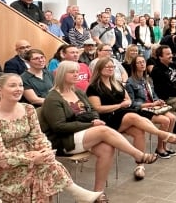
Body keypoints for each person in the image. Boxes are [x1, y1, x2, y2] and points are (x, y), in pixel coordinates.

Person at [39, 61, 159, 200]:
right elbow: (59, 127)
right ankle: (138, 155)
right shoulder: (53, 98)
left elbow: (94, 111)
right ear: (61, 75)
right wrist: (90, 124)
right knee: (103, 130)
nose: (76, 74)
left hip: (83, 133)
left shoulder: (77, 91)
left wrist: (93, 120)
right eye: (72, 72)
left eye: (77, 71)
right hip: (64, 140)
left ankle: (98, 192)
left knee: (107, 148)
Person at [0, 74, 101, 203]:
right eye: (12, 85)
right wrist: (31, 158)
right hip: (0, 167)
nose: (18, 89)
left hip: (32, 155)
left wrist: (45, 150)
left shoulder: (28, 109)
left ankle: (77, 192)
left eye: (20, 85)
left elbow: (38, 135)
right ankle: (76, 192)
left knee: (45, 163)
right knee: (43, 167)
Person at [87, 57, 176, 181]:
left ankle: (140, 166)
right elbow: (97, 108)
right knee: (132, 116)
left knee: (139, 131)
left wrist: (124, 104)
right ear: (99, 69)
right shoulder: (93, 87)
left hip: (122, 115)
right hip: (107, 119)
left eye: (112, 66)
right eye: (107, 66)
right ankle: (162, 134)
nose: (110, 69)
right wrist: (119, 105)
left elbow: (128, 100)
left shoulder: (117, 83)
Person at [121, 56, 176, 154]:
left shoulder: (147, 79)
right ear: (134, 66)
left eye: (143, 62)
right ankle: (159, 148)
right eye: (139, 62)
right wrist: (151, 104)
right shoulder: (130, 82)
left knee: (172, 118)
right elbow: (132, 103)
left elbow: (154, 95)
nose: (142, 64)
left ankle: (165, 146)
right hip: (141, 109)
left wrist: (158, 101)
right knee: (165, 120)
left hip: (153, 107)